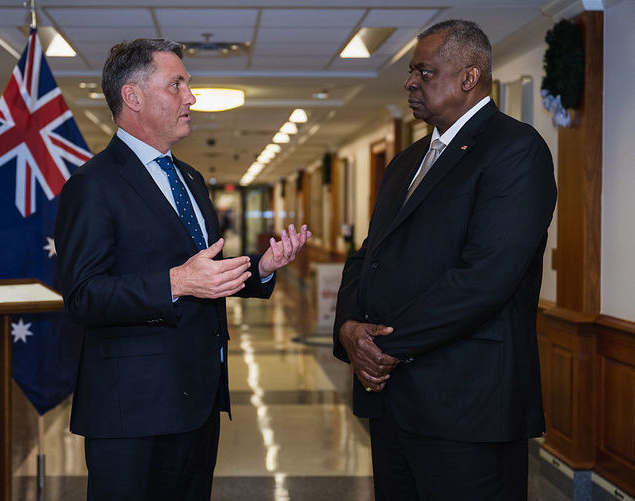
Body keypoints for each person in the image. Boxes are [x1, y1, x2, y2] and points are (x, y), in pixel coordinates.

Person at [54, 38, 310, 501]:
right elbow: (83, 296)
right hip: (131, 409)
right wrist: (175, 282)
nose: (190, 97)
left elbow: (203, 270)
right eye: (176, 85)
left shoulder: (189, 178)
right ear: (133, 97)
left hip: (198, 399)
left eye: (187, 84)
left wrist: (263, 266)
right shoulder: (92, 185)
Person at [333, 20, 556, 500]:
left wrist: (385, 349)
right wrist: (349, 328)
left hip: (467, 404)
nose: (410, 82)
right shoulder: (405, 162)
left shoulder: (515, 150)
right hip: (394, 401)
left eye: (424, 71)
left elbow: (487, 277)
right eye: (412, 72)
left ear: (469, 78)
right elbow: (368, 256)